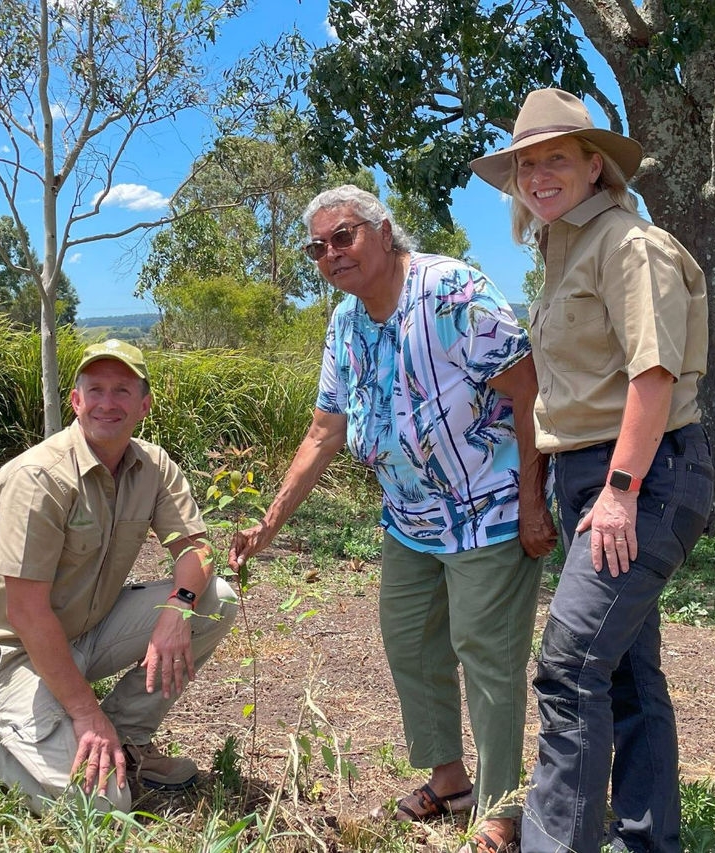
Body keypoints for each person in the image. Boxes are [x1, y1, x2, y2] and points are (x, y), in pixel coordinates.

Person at [229, 185, 556, 853]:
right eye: (317, 247)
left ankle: (501, 810)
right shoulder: (346, 324)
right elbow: (324, 431)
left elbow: (528, 393)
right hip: (410, 518)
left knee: (486, 655)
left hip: (487, 509)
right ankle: (450, 779)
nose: (330, 254)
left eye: (342, 236)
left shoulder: (451, 291)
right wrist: (270, 522)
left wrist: (532, 500)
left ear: (382, 232)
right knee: (410, 643)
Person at [469, 88, 714, 853]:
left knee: (570, 665)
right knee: (625, 675)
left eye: (557, 159)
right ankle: (646, 841)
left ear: (595, 167)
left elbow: (653, 375)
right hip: (593, 476)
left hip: (641, 474)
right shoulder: (560, 250)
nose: (540, 175)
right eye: (527, 163)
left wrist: (617, 492)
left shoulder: (626, 243)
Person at [0, 339, 239, 815]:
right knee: (100, 805)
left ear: (144, 405)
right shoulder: (39, 478)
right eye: (95, 389)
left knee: (214, 599)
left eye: (122, 390)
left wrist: (179, 606)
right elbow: (26, 612)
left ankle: (127, 741)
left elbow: (196, 549)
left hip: (81, 634)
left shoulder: (153, 465)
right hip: (4, 653)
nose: (107, 402)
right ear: (76, 402)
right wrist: (85, 712)